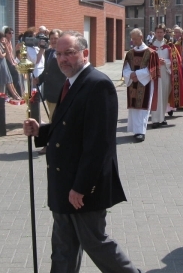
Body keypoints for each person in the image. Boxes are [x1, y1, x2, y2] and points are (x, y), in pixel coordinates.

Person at [23, 31, 140, 273]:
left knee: (95, 242)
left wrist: (82, 186)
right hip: (63, 181)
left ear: (84, 54)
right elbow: (69, 127)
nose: (63, 59)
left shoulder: (98, 85)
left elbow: (99, 144)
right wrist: (41, 131)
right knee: (63, 247)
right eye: (59, 54)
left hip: (82, 186)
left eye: (70, 53)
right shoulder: (71, 83)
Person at [123, 28, 159, 142]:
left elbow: (152, 70)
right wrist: (130, 74)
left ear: (141, 37)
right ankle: (135, 129)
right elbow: (125, 68)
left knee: (143, 108)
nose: (133, 41)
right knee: (134, 107)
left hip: (145, 83)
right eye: (132, 39)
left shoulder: (151, 53)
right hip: (132, 83)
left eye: (135, 38)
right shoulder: (130, 53)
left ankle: (141, 132)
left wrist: (136, 74)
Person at [150, 24, 183, 129]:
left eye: (161, 32)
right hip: (154, 75)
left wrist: (165, 61)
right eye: (158, 32)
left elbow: (176, 60)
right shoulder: (150, 47)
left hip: (166, 73)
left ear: (165, 33)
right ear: (155, 33)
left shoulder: (170, 46)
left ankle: (162, 118)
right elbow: (146, 61)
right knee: (156, 97)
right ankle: (155, 120)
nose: (159, 34)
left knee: (164, 96)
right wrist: (156, 62)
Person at [0, 31, 22, 101]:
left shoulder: (1, 44)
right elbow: (1, 55)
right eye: (2, 38)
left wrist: (6, 46)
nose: (3, 39)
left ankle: (16, 94)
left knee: (9, 79)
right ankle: (13, 95)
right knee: (6, 80)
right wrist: (5, 52)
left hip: (4, 63)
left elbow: (8, 53)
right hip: (0, 64)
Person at [4, 27, 22, 97]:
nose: (11, 35)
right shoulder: (5, 41)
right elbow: (7, 54)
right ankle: (15, 93)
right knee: (15, 73)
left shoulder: (10, 41)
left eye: (12, 33)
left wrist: (14, 61)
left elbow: (11, 53)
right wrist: (12, 63)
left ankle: (17, 92)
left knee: (15, 74)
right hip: (6, 61)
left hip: (10, 60)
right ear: (5, 34)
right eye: (9, 33)